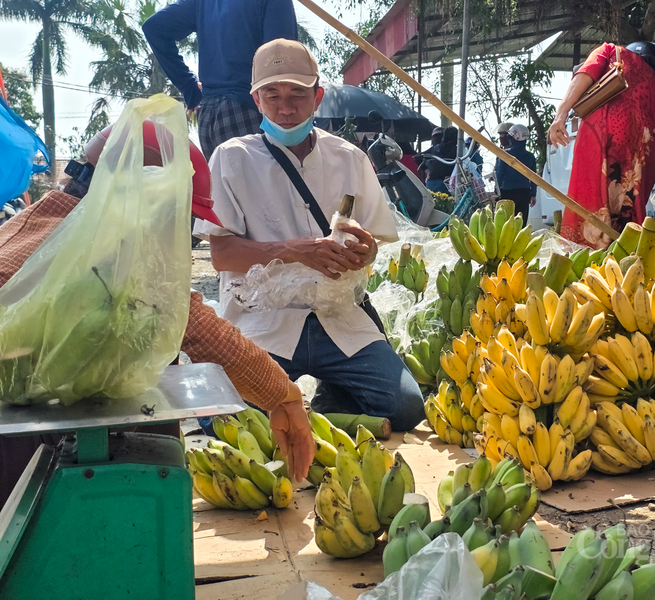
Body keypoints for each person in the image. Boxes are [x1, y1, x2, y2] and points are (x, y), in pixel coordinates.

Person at [0, 121, 315, 505]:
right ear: (140, 197)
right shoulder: (98, 251)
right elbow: (197, 328)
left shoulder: (32, 224)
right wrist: (284, 397)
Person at [193, 39, 425, 432]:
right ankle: (329, 415)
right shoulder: (232, 157)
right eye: (273, 95)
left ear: (317, 97)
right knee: (220, 419)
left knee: (405, 408)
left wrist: (364, 252)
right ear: (257, 101)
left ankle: (323, 402)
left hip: (337, 316)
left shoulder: (349, 157)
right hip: (263, 320)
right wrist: (295, 250)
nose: (285, 108)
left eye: (298, 94)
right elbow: (223, 255)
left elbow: (371, 241)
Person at [548, 41, 655, 249]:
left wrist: (562, 113)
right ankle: (623, 258)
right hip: (644, 150)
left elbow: (586, 74)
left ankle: (585, 256)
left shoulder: (613, 51)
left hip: (603, 136)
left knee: (591, 204)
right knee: (629, 209)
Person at [142, 0, 299, 160]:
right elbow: (282, 63)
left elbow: (154, 28)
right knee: (277, 183)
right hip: (249, 110)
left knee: (228, 184)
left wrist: (191, 90)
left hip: (209, 117)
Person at [495, 124, 537, 225]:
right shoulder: (530, 157)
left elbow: (500, 174)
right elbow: (533, 178)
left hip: (507, 193)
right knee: (521, 223)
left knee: (506, 225)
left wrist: (496, 190)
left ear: (511, 138)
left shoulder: (505, 155)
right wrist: (533, 194)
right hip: (524, 192)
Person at [423, 126, 458, 194]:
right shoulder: (456, 150)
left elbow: (417, 157)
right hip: (447, 182)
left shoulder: (433, 149)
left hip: (431, 182)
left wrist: (427, 171)